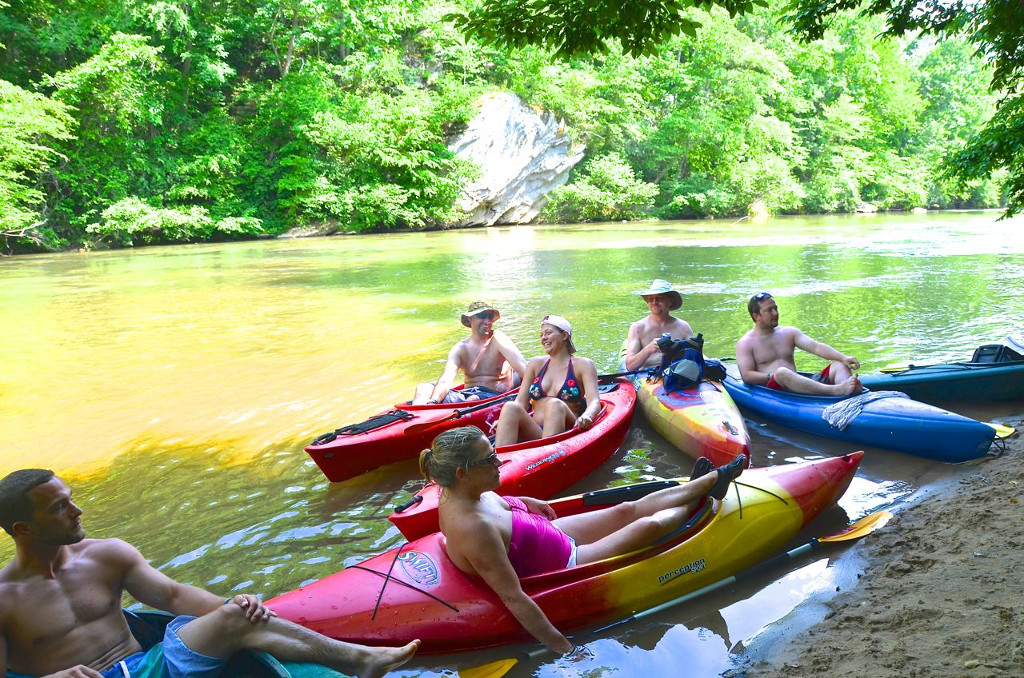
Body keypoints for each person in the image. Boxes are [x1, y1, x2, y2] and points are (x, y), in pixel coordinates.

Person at [0, 469, 419, 678]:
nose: (78, 511)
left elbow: (174, 596)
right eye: (59, 508)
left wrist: (232, 606)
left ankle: (360, 660)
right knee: (237, 622)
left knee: (239, 616)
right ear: (24, 529)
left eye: (71, 499)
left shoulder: (105, 555)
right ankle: (360, 660)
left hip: (150, 665)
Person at [420, 427, 746, 654]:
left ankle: (704, 482)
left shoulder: (460, 492)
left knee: (626, 509)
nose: (498, 461)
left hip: (547, 533)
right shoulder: (473, 530)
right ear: (462, 473)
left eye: (493, 452)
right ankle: (700, 497)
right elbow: (514, 597)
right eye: (488, 460)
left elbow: (496, 503)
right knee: (646, 526)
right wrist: (564, 648)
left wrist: (526, 502)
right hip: (565, 560)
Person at [493, 315, 601, 446]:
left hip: (567, 430)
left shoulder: (583, 365)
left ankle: (547, 456)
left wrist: (587, 416)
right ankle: (501, 461)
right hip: (536, 431)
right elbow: (520, 402)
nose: (543, 338)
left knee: (554, 404)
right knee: (510, 407)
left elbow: (594, 401)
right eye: (541, 335)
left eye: (548, 333)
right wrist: (505, 420)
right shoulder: (535, 364)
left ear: (565, 335)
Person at [736, 292, 861, 396]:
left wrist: (843, 357)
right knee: (781, 373)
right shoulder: (745, 343)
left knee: (840, 365)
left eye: (775, 308)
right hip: (775, 389)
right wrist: (772, 376)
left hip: (800, 385)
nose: (775, 313)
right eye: (769, 310)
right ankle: (836, 390)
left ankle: (848, 396)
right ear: (756, 316)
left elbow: (816, 347)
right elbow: (747, 375)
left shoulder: (789, 332)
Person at [412, 301, 526, 405]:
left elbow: (523, 368)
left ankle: (454, 418)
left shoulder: (498, 339)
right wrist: (434, 401)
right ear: (470, 319)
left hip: (494, 397)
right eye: (482, 316)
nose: (487, 321)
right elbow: (446, 379)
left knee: (473, 398)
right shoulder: (459, 348)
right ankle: (418, 419)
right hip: (466, 395)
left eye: (490, 316)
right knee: (423, 388)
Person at [623, 279, 694, 371]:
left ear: (670, 301)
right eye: (650, 299)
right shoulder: (637, 327)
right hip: (647, 376)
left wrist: (711, 360)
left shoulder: (683, 326)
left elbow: (696, 353)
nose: (654, 302)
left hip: (677, 373)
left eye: (659, 298)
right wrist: (648, 349)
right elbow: (630, 366)